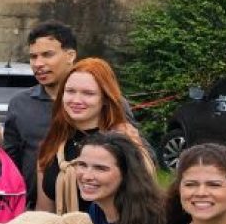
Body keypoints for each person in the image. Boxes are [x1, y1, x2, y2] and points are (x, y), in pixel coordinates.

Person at [35, 57, 151, 213]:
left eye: (88, 93)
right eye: (70, 91)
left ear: (105, 98)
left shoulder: (122, 142)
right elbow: (43, 210)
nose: (76, 100)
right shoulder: (52, 144)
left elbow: (142, 204)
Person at [2, 21, 78, 195]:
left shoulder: (103, 101)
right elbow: (10, 163)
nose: (38, 63)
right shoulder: (20, 104)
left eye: (47, 55)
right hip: (36, 212)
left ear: (70, 55)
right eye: (33, 57)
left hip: (91, 211)